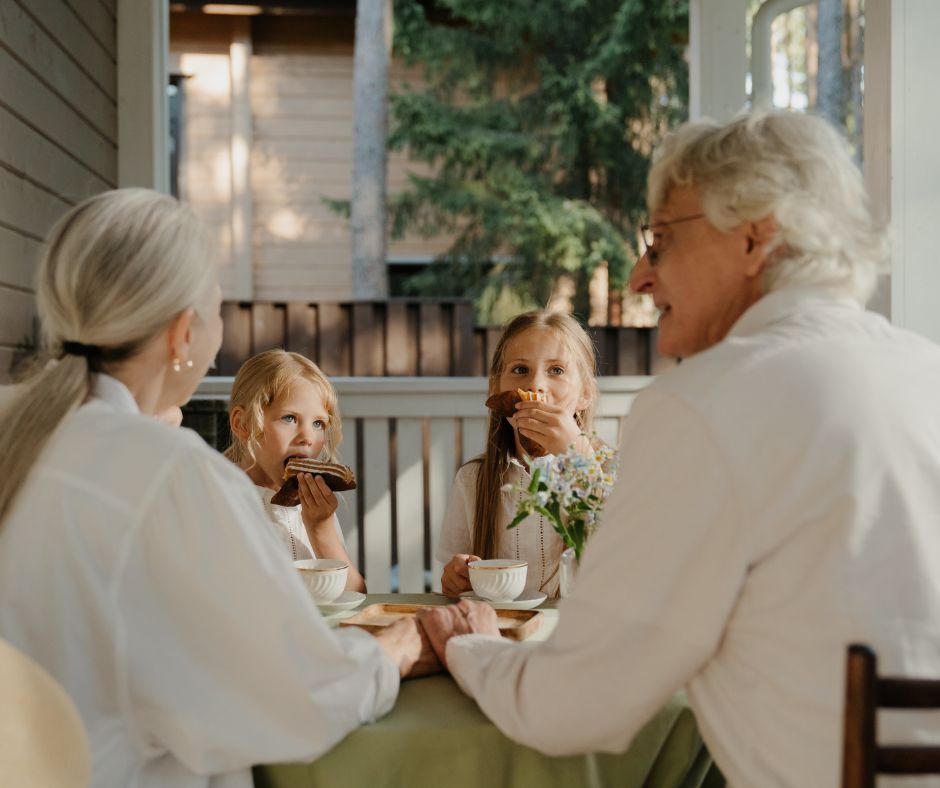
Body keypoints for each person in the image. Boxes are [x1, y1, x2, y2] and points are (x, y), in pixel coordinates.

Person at [416, 110, 940, 788]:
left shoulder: (705, 405)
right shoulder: (925, 370)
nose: (639, 276)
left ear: (756, 237)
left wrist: (470, 646)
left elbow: (572, 705)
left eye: (660, 241)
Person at [0, 189, 440, 788]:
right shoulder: (173, 474)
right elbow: (296, 698)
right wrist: (403, 644)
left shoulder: (29, 432)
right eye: (218, 304)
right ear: (184, 333)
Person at [436, 310, 600, 598]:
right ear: (495, 389)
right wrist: (455, 578)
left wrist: (579, 456)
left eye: (556, 370)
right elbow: (451, 580)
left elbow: (630, 562)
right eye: (520, 370)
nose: (535, 385)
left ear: (585, 394)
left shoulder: (610, 475)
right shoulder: (472, 480)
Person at [225, 349, 365, 591]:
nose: (307, 437)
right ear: (243, 424)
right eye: (289, 418)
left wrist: (321, 529)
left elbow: (355, 595)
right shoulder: (221, 496)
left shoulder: (313, 506)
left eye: (318, 423)